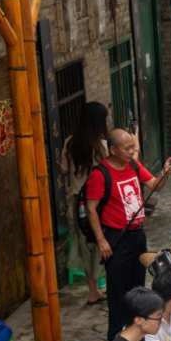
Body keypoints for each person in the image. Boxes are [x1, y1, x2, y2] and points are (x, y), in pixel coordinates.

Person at [86, 128, 171, 340]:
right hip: (115, 237)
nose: (132, 151)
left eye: (132, 147)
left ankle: (136, 329)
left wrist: (164, 173)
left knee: (137, 285)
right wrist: (101, 240)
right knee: (118, 287)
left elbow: (154, 185)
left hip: (137, 234)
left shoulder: (133, 165)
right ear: (113, 149)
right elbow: (91, 209)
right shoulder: (100, 174)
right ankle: (116, 334)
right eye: (127, 148)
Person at [60, 101, 108, 305]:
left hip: (76, 201)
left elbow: (63, 169)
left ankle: (92, 291)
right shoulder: (101, 146)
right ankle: (105, 284)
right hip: (98, 202)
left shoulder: (69, 143)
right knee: (102, 241)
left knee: (84, 244)